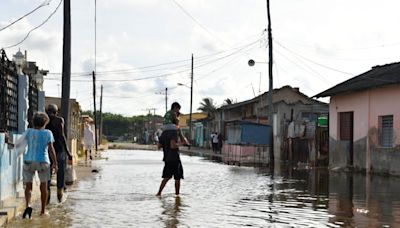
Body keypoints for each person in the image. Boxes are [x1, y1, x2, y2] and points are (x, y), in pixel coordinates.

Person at [15, 112, 57, 218]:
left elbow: (19, 143)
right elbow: (51, 149)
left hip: (28, 161)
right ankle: (43, 211)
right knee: (44, 186)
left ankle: (28, 206)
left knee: (28, 186)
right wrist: (55, 163)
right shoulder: (48, 133)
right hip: (43, 162)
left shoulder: (29, 131)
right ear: (45, 122)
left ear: (34, 122)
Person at [46, 104, 73, 203]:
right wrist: (68, 151)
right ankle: (59, 193)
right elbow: (62, 136)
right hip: (59, 149)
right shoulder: (59, 120)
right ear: (56, 112)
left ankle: (47, 195)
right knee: (60, 172)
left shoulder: (44, 120)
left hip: (48, 149)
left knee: (47, 173)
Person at [156, 129, 184, 196]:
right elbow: (173, 145)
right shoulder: (174, 132)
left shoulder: (164, 133)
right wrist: (182, 143)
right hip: (175, 158)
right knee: (177, 177)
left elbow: (159, 146)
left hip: (167, 158)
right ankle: (177, 195)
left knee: (166, 177)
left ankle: (159, 193)